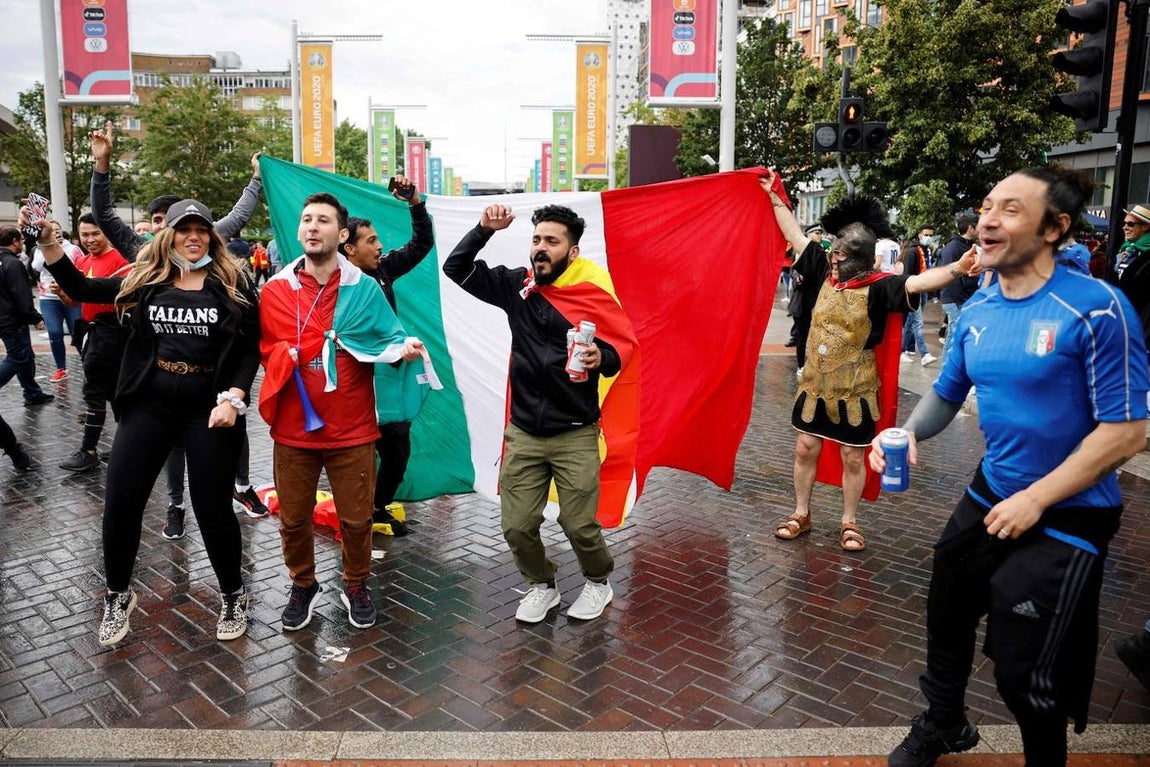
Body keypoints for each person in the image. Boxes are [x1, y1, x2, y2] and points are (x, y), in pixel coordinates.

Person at [869, 166, 1149, 767]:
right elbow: (947, 392)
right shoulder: (980, 309)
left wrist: (1037, 498)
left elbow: (1126, 432)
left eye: (1011, 209)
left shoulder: (1099, 309)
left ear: (1054, 228)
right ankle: (944, 722)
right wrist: (907, 431)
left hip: (1070, 511)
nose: (989, 221)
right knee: (947, 604)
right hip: (992, 490)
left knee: (1023, 669)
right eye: (988, 207)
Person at [34, 200, 261, 646]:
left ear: (211, 236)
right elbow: (81, 287)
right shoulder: (147, 279)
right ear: (168, 236)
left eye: (200, 229)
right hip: (149, 405)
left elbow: (249, 345)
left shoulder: (232, 283)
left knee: (212, 508)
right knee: (121, 501)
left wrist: (234, 397)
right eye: (183, 230)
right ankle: (117, 594)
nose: (192, 237)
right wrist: (49, 243)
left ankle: (234, 594)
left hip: (208, 408)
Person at [760, 170, 976, 553]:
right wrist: (774, 195)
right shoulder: (822, 269)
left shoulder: (880, 287)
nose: (833, 259)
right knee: (805, 448)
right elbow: (794, 233)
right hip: (815, 386)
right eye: (833, 253)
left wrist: (958, 268)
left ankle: (849, 521)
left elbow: (918, 282)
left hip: (856, 391)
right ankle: (801, 513)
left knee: (852, 457)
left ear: (860, 259)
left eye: (840, 256)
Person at [443, 203, 637, 624]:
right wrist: (483, 230)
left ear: (572, 251)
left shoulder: (590, 293)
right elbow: (455, 268)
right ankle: (542, 585)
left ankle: (598, 581)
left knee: (579, 524)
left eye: (552, 241)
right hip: (525, 432)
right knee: (516, 526)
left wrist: (599, 357)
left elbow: (620, 348)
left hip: (575, 432)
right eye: (536, 240)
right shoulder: (517, 287)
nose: (541, 248)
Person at [88, 120, 269, 534]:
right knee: (165, 449)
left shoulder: (208, 242)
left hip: (211, 387)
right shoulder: (146, 254)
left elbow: (238, 215)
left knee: (226, 439)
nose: (181, 234)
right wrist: (102, 165)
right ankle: (174, 504)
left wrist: (257, 180)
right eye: (159, 222)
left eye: (193, 228)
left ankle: (240, 486)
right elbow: (105, 216)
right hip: (157, 385)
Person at [258, 192, 425, 632]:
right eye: (307, 219)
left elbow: (388, 337)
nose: (313, 227)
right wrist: (284, 358)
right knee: (293, 520)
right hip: (294, 427)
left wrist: (404, 348)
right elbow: (265, 349)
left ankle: (355, 583)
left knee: (356, 519)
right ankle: (303, 584)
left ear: (341, 233)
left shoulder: (364, 288)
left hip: (352, 428)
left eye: (324, 220)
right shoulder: (275, 291)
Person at [338, 174, 435, 535]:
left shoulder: (383, 271)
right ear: (349, 249)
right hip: (354, 383)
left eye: (378, 239)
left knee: (397, 451)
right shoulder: (334, 283)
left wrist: (415, 203)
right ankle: (357, 512)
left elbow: (422, 244)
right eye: (371, 240)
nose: (380, 246)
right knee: (355, 454)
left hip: (390, 381)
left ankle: (377, 507)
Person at [58, 214, 131, 473]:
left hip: (113, 332)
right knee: (110, 391)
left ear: (107, 233)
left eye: (95, 233)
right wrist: (64, 293)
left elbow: (129, 297)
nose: (90, 239)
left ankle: (88, 450)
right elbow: (76, 300)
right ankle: (126, 445)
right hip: (89, 332)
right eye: (85, 235)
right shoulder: (83, 260)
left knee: (96, 391)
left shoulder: (121, 260)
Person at [0, 226, 53, 408]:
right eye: (21, 240)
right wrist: (35, 317)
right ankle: (32, 393)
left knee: (25, 356)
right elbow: (22, 295)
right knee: (18, 357)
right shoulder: (13, 264)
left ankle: (32, 393)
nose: (22, 243)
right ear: (14, 241)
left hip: (5, 318)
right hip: (12, 320)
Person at [31, 221, 84, 383]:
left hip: (71, 296)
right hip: (48, 297)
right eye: (51, 231)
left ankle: (87, 363)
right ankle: (61, 368)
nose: (54, 233)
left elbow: (82, 267)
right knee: (54, 333)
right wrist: (46, 248)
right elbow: (36, 267)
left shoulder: (73, 249)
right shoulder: (40, 248)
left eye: (56, 230)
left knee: (77, 332)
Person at [935, 212, 981, 362]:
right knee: (953, 335)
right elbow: (949, 276)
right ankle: (946, 367)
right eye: (978, 227)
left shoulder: (967, 246)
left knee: (957, 334)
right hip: (955, 299)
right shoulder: (953, 247)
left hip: (963, 298)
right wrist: (960, 298)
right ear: (970, 228)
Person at [1113, 203, 1150, 350]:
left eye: (1130, 224)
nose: (1125, 227)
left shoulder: (1145, 254)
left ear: (1145, 227)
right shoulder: (1127, 250)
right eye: (1124, 223)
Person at [899, 237, 938, 367]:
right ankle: (924, 354)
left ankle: (903, 350)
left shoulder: (922, 250)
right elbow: (908, 275)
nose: (929, 237)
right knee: (917, 322)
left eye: (930, 234)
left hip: (920, 291)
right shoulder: (913, 251)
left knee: (910, 323)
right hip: (914, 292)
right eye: (926, 234)